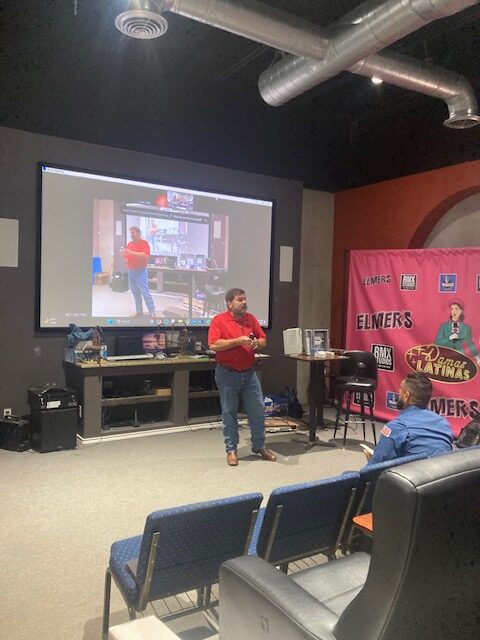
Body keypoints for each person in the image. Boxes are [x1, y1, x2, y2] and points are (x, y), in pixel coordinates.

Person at [208, 288, 276, 466]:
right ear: (229, 303)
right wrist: (238, 341)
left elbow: (263, 340)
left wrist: (256, 343)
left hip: (249, 373)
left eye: (245, 299)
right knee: (229, 412)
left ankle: (259, 446)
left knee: (258, 410)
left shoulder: (251, 319)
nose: (244, 302)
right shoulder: (219, 320)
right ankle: (231, 450)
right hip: (227, 373)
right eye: (240, 300)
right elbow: (214, 344)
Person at [364, 372, 453, 466]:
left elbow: (374, 466)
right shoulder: (444, 424)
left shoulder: (396, 427)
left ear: (406, 396)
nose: (398, 393)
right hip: (442, 477)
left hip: (413, 477)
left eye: (400, 390)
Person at [120, 226, 156, 318]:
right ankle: (139, 311)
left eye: (133, 232)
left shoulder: (144, 243)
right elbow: (128, 257)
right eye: (130, 233)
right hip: (131, 271)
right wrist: (123, 253)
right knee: (135, 292)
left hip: (141, 271)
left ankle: (152, 311)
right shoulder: (129, 244)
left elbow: (144, 256)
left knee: (145, 292)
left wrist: (130, 252)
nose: (131, 234)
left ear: (139, 233)